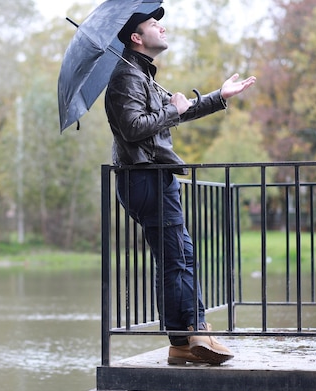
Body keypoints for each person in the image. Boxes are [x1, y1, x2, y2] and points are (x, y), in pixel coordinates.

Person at [104, 7, 256, 365]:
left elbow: (177, 109)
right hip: (145, 178)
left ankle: (185, 338)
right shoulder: (125, 76)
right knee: (177, 257)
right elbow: (133, 127)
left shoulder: (139, 74)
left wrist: (219, 96)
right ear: (136, 38)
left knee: (178, 257)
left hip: (153, 177)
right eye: (153, 24)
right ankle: (192, 332)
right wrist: (173, 110)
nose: (162, 26)